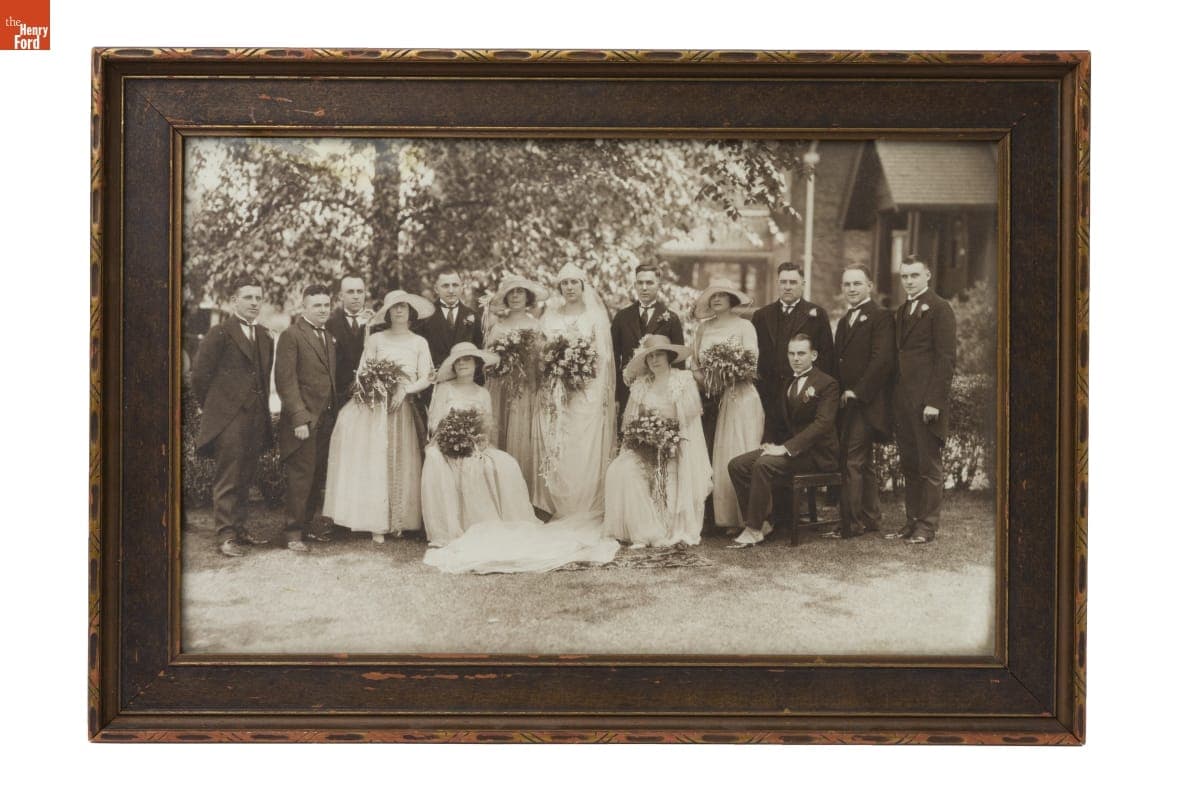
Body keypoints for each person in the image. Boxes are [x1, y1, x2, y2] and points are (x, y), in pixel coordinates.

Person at [323, 289, 435, 544]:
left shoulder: (419, 342)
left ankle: (402, 520)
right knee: (375, 461)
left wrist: (405, 389)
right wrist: (380, 387)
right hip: (376, 407)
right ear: (387, 313)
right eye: (394, 308)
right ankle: (376, 522)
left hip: (403, 406)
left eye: (403, 307)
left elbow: (426, 376)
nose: (399, 311)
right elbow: (363, 371)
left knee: (403, 460)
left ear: (410, 313)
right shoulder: (376, 339)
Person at [727, 334, 839, 548]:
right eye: (791, 353)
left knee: (764, 464)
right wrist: (768, 442)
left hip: (817, 455)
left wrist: (786, 448)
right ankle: (764, 522)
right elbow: (776, 418)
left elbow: (822, 425)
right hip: (791, 451)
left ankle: (753, 529)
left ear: (813, 355)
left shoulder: (827, 384)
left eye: (801, 353)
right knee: (738, 465)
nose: (795, 358)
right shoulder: (787, 382)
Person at [421, 342, 538, 547]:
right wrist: (453, 435)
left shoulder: (482, 392)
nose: (462, 364)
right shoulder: (444, 388)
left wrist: (476, 439)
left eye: (467, 360)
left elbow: (487, 425)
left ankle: (492, 521)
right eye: (458, 361)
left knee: (505, 462)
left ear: (476, 364)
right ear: (453, 367)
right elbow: (433, 423)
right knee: (434, 458)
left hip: (476, 444)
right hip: (446, 442)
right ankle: (448, 528)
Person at [190, 277, 274, 557]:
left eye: (257, 298)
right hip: (228, 418)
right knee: (228, 476)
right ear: (234, 301)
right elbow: (200, 377)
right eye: (248, 297)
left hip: (255, 418)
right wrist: (217, 408)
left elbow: (263, 377)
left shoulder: (264, 335)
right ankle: (225, 535)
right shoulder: (220, 333)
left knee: (246, 474)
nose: (253, 303)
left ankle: (239, 529)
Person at [604, 335, 711, 548]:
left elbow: (689, 421)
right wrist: (642, 437)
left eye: (659, 355)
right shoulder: (641, 385)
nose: (654, 360)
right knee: (620, 468)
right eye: (650, 356)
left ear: (669, 356)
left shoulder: (683, 380)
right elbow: (631, 422)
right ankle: (642, 531)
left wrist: (666, 437)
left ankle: (660, 530)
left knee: (665, 473)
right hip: (646, 445)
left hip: (677, 445)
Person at [533, 263, 617, 517]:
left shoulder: (595, 317)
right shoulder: (549, 316)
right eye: (565, 283)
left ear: (583, 286)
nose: (569, 287)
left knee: (583, 447)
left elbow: (603, 358)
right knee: (559, 444)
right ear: (560, 287)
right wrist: (554, 368)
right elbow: (541, 354)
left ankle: (582, 504)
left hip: (586, 393)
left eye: (574, 282)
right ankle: (557, 506)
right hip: (555, 390)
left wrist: (584, 382)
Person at [887, 257, 957, 545]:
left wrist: (934, 402)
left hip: (926, 402)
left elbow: (946, 359)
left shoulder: (940, 308)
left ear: (927, 275)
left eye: (915, 275)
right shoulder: (902, 310)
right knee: (910, 464)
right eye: (905, 276)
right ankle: (912, 521)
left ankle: (927, 526)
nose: (909, 281)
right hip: (903, 401)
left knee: (928, 465)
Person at [689, 277, 764, 531]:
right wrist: (709, 383)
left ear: (731, 299)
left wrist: (729, 377)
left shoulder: (745, 327)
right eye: (713, 296)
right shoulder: (703, 328)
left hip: (740, 397)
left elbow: (751, 363)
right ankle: (724, 518)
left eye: (722, 294)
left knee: (739, 451)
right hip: (710, 399)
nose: (717, 299)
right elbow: (695, 365)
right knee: (716, 456)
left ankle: (749, 518)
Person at [828, 266, 895, 539]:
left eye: (857, 283)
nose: (852, 289)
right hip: (849, 403)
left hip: (869, 402)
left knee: (852, 462)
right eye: (847, 284)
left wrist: (858, 391)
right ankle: (870, 517)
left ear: (870, 285)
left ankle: (851, 524)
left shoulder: (881, 317)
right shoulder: (845, 321)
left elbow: (883, 360)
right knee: (863, 461)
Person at [275, 285, 338, 552]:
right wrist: (299, 418)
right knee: (301, 477)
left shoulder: (328, 336)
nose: (323, 309)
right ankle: (292, 533)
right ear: (304, 307)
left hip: (325, 419)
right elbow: (286, 381)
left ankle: (307, 525)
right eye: (317, 305)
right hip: (304, 420)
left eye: (326, 304)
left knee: (315, 476)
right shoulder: (292, 335)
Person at [751, 262, 835, 443]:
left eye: (793, 282)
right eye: (783, 282)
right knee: (769, 444)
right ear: (777, 283)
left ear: (803, 284)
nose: (787, 287)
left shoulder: (816, 314)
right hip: (769, 394)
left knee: (798, 444)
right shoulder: (762, 315)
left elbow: (826, 357)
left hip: (802, 395)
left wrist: (815, 392)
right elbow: (754, 356)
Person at [484, 275, 549, 489]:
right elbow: (488, 360)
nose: (515, 297)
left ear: (528, 297)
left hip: (527, 388)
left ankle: (524, 490)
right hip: (501, 388)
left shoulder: (536, 325)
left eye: (519, 292)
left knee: (524, 434)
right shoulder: (498, 327)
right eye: (511, 293)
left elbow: (543, 360)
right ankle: (501, 489)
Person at [610, 263, 685, 418]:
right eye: (640, 282)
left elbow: (678, 362)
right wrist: (615, 395)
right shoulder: (622, 317)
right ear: (635, 285)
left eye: (649, 283)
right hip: (628, 389)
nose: (644, 287)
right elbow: (613, 359)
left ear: (659, 285)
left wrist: (676, 396)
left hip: (660, 392)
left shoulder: (671, 318)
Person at [413, 267, 484, 386]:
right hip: (434, 386)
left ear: (462, 287)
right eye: (445, 286)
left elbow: (479, 355)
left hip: (465, 385)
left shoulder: (473, 316)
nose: (451, 290)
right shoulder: (424, 318)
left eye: (455, 285)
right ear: (436, 289)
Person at [325, 273, 373, 409]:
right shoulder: (329, 325)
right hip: (340, 398)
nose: (356, 296)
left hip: (371, 397)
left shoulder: (376, 324)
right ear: (341, 296)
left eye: (360, 291)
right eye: (350, 292)